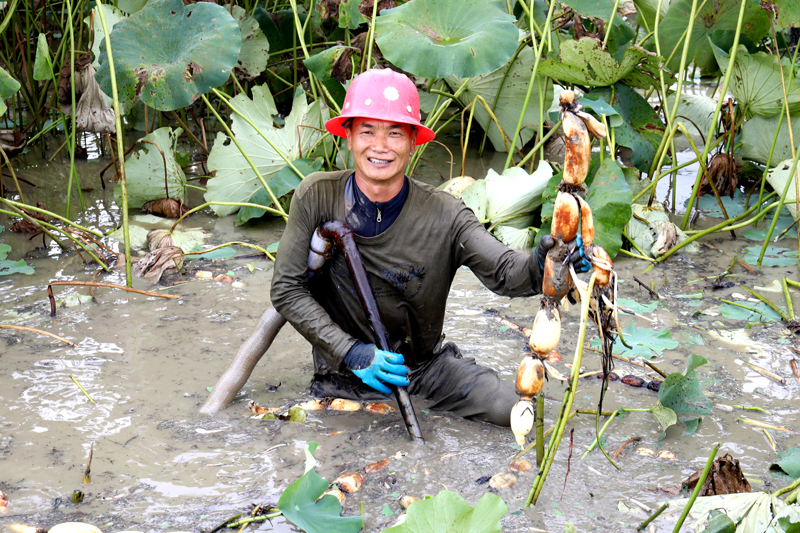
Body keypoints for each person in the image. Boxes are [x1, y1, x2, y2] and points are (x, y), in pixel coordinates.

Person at [270, 68, 587, 426]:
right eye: (367, 131)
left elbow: (505, 273)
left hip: (424, 370)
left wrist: (545, 260)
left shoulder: (445, 213)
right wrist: (351, 352)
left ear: (413, 140)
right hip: (343, 378)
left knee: (523, 416)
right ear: (348, 135)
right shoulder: (316, 195)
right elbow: (286, 289)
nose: (380, 146)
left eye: (394, 133)